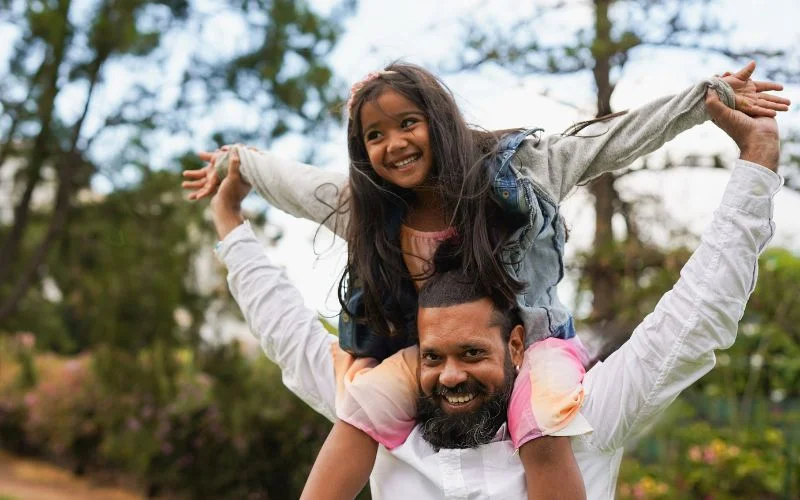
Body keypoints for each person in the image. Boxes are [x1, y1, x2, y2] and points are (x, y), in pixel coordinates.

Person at [185, 62, 788, 499]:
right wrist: (237, 168)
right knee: (360, 405)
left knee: (547, 417)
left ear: (439, 122)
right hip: (410, 351)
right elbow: (292, 196)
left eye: (408, 124)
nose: (394, 144)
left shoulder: (519, 172)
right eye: (374, 135)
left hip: (543, 354)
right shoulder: (369, 212)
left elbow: (610, 140)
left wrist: (704, 97)